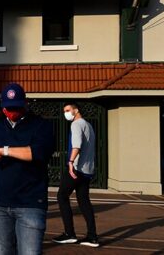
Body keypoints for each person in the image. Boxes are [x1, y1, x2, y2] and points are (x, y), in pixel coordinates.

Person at [0, 83, 55, 255]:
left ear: (25, 104)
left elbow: (37, 153)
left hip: (30, 204)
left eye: (16, 107)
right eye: (8, 108)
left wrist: (4, 150)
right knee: (2, 252)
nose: (12, 112)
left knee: (30, 252)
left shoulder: (41, 126)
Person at [54, 102, 99, 248]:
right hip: (87, 170)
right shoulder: (89, 125)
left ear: (76, 110)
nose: (65, 113)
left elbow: (77, 145)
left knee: (62, 196)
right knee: (84, 201)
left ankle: (69, 234)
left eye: (68, 110)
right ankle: (92, 237)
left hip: (77, 168)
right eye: (64, 111)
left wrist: (70, 162)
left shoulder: (76, 124)